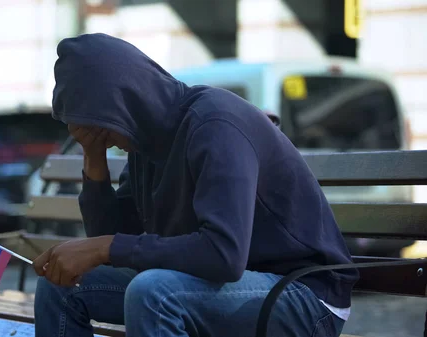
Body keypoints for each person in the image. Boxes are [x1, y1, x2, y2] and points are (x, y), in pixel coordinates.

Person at [33, 33, 359, 337]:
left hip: (303, 293)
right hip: (214, 286)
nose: (104, 137)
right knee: (61, 285)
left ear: (121, 103)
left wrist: (105, 247)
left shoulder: (215, 124)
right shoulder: (145, 144)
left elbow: (224, 254)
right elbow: (118, 242)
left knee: (153, 293)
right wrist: (94, 158)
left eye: (100, 126)